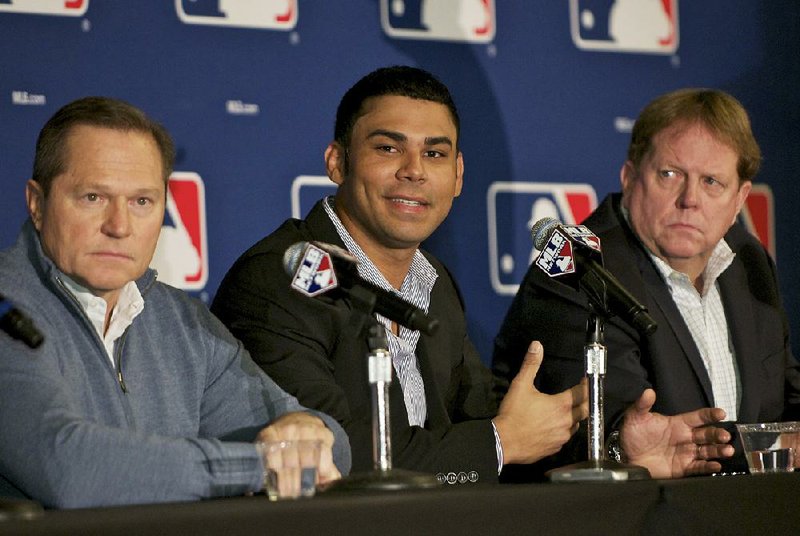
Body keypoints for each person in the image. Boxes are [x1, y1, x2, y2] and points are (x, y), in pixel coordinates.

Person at [212, 66, 730, 483]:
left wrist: (618, 450)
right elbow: (332, 457)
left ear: (458, 177)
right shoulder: (281, 281)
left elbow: (486, 432)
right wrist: (501, 439)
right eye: (388, 148)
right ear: (336, 162)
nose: (414, 170)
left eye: (434, 153)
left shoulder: (432, 282)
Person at [0, 96, 350, 509]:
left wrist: (307, 434)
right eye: (93, 197)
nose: (119, 226)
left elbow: (333, 448)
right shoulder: (9, 311)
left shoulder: (182, 323)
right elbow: (69, 467)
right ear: (37, 205)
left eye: (141, 202)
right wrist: (260, 465)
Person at [493, 88, 800, 475]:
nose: (690, 199)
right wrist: (770, 446)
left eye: (711, 182)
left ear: (739, 199)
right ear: (630, 175)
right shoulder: (578, 269)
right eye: (670, 174)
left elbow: (785, 391)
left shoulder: (749, 261)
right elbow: (604, 433)